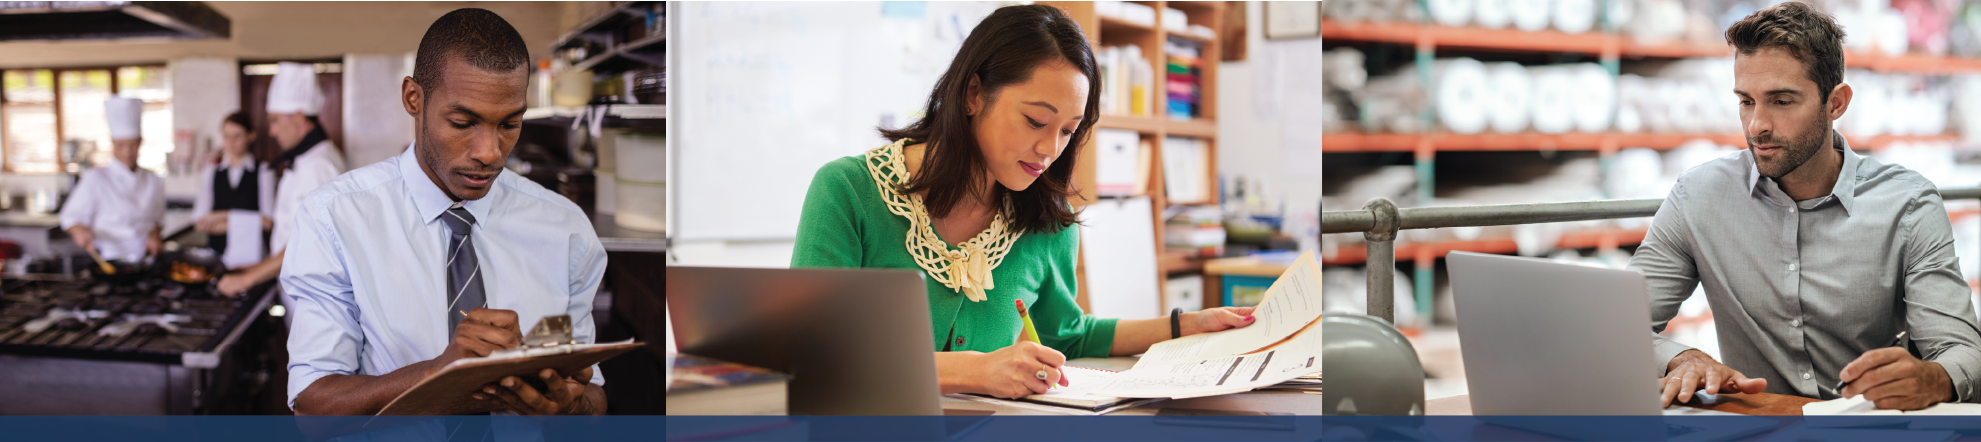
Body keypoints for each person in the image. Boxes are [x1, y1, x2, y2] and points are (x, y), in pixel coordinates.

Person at [790, 4, 1259, 400]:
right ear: (974, 94)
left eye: (1068, 130)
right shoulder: (848, 191)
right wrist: (973, 371)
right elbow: (815, 351)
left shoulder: (1046, 221)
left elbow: (1068, 335)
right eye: (1036, 121)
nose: (1050, 149)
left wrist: (1185, 326)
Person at [1641, 1, 1981, 411]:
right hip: (1756, 425)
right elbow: (1617, 326)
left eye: (1781, 101)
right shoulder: (1698, 196)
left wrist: (1934, 377)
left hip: (1870, 430)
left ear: (1836, 103)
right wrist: (1679, 357)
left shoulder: (1907, 206)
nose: (1756, 125)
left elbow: (1964, 352)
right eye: (1746, 101)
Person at [284, 8, 607, 415]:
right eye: (462, 123)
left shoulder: (566, 230)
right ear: (413, 99)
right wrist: (440, 374)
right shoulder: (336, 219)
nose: (490, 153)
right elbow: (313, 410)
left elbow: (593, 393)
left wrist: (567, 408)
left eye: (509, 124)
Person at [215, 62, 348, 296]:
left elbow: (309, 242)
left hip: (316, 299)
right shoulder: (304, 159)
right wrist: (257, 267)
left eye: (275, 121)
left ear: (298, 118)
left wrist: (248, 278)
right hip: (298, 292)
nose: (272, 131)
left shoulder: (320, 165)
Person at [60, 97, 164, 262]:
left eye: (133, 145)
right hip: (108, 259)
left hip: (145, 258)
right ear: (112, 145)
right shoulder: (96, 177)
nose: (128, 153)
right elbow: (70, 217)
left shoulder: (152, 179)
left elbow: (157, 219)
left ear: (141, 143)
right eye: (121, 145)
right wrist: (79, 231)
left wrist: (155, 236)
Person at [191, 111, 276, 268]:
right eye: (226, 136)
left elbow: (268, 222)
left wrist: (221, 216)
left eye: (237, 136)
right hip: (217, 258)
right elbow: (200, 223)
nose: (231, 142)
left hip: (253, 261)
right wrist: (249, 221)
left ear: (251, 136)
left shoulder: (264, 171)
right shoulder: (210, 172)